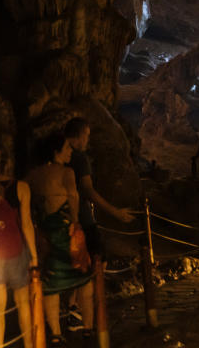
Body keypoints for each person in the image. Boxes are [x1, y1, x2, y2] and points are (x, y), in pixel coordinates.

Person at [63, 118, 134, 337]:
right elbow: (88, 190)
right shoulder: (79, 159)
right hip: (83, 218)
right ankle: (85, 317)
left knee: (76, 262)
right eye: (86, 134)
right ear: (77, 136)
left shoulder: (56, 158)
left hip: (63, 218)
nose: (88, 139)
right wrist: (116, 212)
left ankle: (72, 311)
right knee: (96, 262)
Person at [27, 133, 92, 344]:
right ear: (56, 152)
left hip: (44, 234)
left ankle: (55, 333)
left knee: (50, 284)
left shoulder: (32, 175)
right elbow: (73, 199)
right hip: (65, 232)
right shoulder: (67, 172)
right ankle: (88, 329)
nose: (70, 151)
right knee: (85, 278)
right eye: (66, 148)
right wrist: (76, 224)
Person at [0, 150, 37, 348]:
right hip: (16, 250)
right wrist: (34, 257)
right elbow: (26, 224)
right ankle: (29, 345)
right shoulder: (21, 187)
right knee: (23, 304)